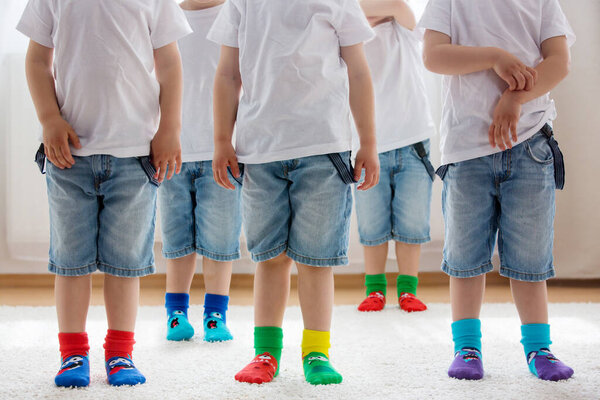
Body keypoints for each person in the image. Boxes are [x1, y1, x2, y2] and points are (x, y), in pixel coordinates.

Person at [18, 0, 191, 387]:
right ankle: (73, 354)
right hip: (68, 157)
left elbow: (170, 65)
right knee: (71, 263)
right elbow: (36, 62)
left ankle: (120, 354)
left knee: (125, 264)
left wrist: (170, 129)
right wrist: (48, 118)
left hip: (135, 157)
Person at [208, 0, 379, 385]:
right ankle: (265, 353)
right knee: (270, 258)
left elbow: (359, 71)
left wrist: (368, 141)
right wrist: (222, 139)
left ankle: (316, 352)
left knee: (316, 261)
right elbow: (226, 75)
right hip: (260, 152)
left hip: (324, 151)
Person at [420, 0, 575, 381]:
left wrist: (516, 97)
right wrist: (495, 57)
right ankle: (467, 347)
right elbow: (434, 56)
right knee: (466, 258)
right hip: (466, 152)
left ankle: (539, 348)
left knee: (529, 259)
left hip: (530, 146)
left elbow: (559, 60)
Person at [161, 0, 239, 344]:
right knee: (177, 240)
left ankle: (215, 314)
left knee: (220, 241)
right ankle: (176, 313)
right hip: (172, 150)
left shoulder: (236, 13)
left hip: (221, 152)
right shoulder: (164, 14)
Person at [355, 0, 436, 313]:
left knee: (412, 224)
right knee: (372, 222)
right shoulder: (350, 35)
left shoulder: (403, 27)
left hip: (413, 142)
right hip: (366, 145)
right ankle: (375, 289)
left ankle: (407, 289)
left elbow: (399, 5)